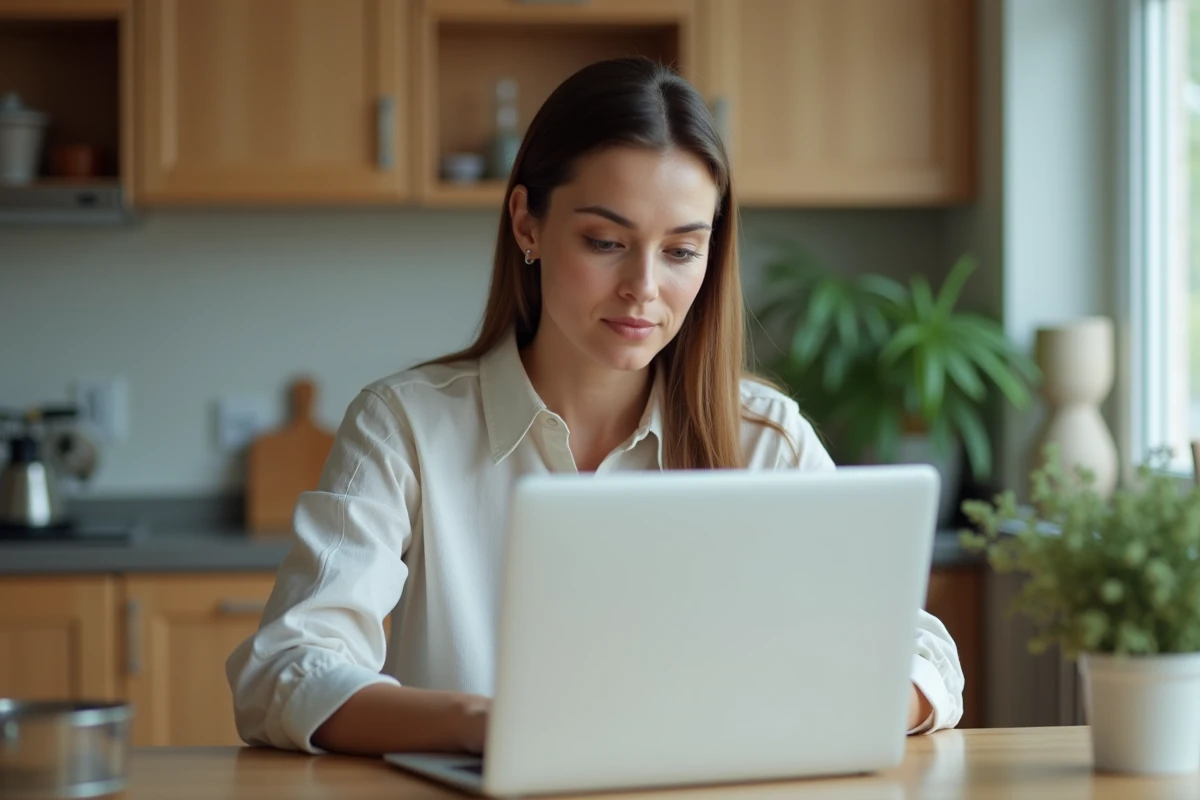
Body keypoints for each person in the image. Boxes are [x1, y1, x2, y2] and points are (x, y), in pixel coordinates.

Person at [225, 57, 964, 756]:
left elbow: (924, 655)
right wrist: (479, 722)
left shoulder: (763, 439)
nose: (643, 287)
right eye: (607, 241)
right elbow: (286, 668)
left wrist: (807, 717)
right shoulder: (407, 426)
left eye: (681, 251)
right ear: (527, 224)